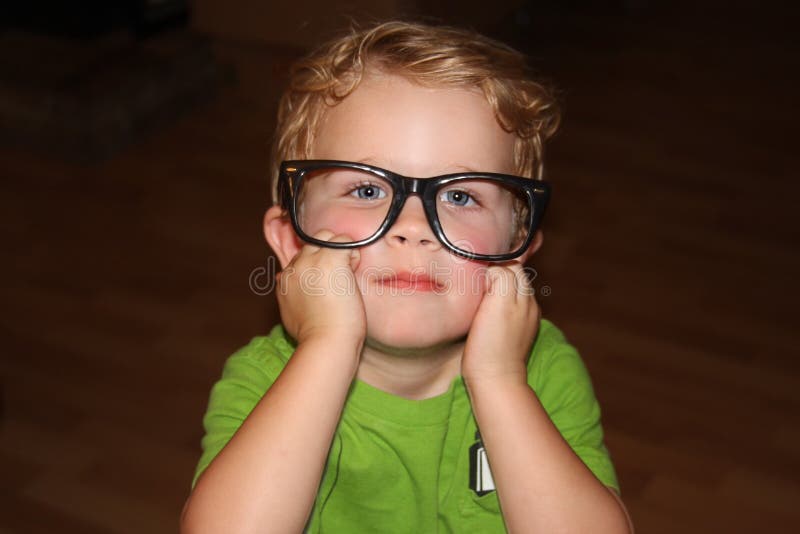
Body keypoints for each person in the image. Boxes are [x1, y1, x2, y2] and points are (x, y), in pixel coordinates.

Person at [181, 20, 633, 534]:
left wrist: (499, 383)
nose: (412, 228)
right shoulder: (264, 379)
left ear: (517, 252)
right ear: (292, 241)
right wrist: (327, 346)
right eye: (367, 190)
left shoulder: (539, 370)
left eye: (461, 196)